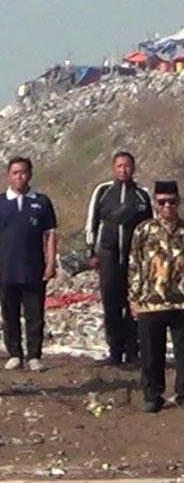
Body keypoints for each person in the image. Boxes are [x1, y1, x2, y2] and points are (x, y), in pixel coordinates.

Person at [0, 157, 58, 372]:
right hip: (6, 269)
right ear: (9, 175)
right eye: (15, 172)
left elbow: (51, 235)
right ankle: (14, 353)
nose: (19, 176)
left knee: (35, 315)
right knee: (10, 314)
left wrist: (51, 263)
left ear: (30, 174)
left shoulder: (41, 202)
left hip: (34, 269)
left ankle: (34, 355)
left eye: (23, 172)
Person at [85, 151, 152, 367]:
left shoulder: (142, 194)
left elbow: (150, 227)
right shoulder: (103, 191)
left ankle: (133, 352)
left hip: (134, 260)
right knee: (111, 305)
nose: (124, 170)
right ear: (114, 168)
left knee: (133, 306)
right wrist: (91, 253)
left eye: (128, 166)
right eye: (120, 166)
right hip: (108, 257)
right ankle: (115, 352)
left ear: (134, 168)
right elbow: (91, 222)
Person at [127, 180, 184, 413]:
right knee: (151, 353)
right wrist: (133, 298)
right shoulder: (143, 230)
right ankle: (152, 395)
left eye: (171, 201)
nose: (167, 206)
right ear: (156, 204)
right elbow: (135, 265)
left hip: (181, 300)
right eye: (162, 202)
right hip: (151, 301)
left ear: (179, 202)